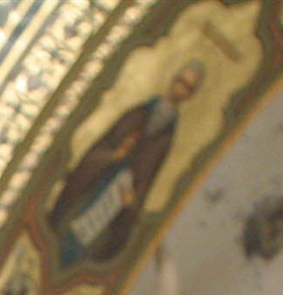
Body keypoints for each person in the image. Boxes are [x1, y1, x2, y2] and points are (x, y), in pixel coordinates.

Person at [47, 62, 205, 270]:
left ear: (190, 95)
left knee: (86, 246)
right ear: (172, 80)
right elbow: (100, 148)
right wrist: (114, 156)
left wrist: (133, 201)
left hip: (115, 202)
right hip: (94, 186)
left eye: (187, 88)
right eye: (180, 82)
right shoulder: (139, 113)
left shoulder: (166, 139)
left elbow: (147, 180)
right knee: (67, 234)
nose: (180, 89)